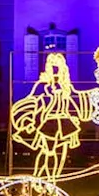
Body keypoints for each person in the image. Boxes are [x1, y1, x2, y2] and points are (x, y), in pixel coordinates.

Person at [10, 53, 93, 185]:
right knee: (49, 152)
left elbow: (75, 101)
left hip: (65, 123)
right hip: (49, 123)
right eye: (53, 68)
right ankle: (47, 181)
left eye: (58, 68)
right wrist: (29, 120)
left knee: (59, 153)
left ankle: (46, 180)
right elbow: (32, 101)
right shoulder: (43, 86)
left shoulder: (66, 87)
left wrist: (81, 109)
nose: (55, 71)